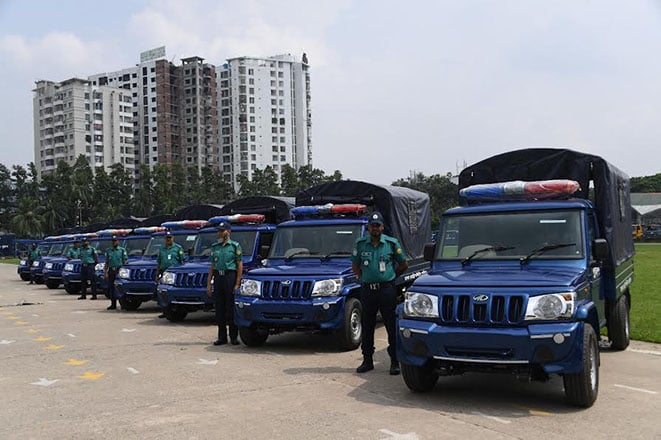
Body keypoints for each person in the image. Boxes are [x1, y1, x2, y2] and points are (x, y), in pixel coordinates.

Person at [351, 211, 408, 375]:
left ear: (382, 227)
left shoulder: (391, 243)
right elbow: (355, 265)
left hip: (386, 290)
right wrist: (363, 278)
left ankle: (394, 362)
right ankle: (367, 360)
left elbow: (403, 264)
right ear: (368, 227)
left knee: (391, 325)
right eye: (372, 225)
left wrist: (390, 278)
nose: (374, 228)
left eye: (377, 225)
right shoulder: (361, 244)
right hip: (368, 290)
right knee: (367, 326)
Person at [206, 222, 242, 346]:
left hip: (229, 277)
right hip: (218, 277)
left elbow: (239, 265)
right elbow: (212, 266)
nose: (220, 233)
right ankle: (222, 337)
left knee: (230, 308)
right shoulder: (215, 247)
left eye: (222, 231)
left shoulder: (235, 246)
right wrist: (209, 284)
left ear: (228, 231)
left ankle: (233, 337)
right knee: (219, 308)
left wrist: (237, 283)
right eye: (219, 231)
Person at [156, 231, 186, 317]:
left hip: (174, 274)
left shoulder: (178, 248)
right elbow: (159, 262)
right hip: (164, 273)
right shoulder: (162, 249)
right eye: (167, 238)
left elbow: (182, 261)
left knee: (171, 292)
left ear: (173, 238)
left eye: (170, 238)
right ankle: (164, 311)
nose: (168, 239)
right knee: (162, 292)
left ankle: (172, 310)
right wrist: (157, 274)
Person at [104, 235, 128, 310]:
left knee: (120, 287)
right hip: (111, 270)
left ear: (118, 241)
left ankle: (123, 304)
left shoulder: (122, 250)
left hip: (119, 270)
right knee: (111, 288)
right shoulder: (108, 251)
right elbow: (107, 262)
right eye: (113, 241)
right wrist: (105, 273)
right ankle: (113, 304)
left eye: (115, 241)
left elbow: (125, 261)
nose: (114, 242)